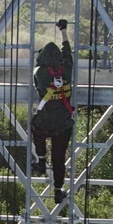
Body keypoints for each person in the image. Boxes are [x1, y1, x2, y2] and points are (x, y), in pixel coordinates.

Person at [31, 19, 74, 204]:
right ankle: (58, 190)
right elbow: (67, 50)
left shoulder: (39, 72)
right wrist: (63, 30)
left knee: (35, 127)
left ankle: (40, 160)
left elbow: (37, 85)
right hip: (63, 124)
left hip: (45, 122)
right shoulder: (67, 69)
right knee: (59, 157)